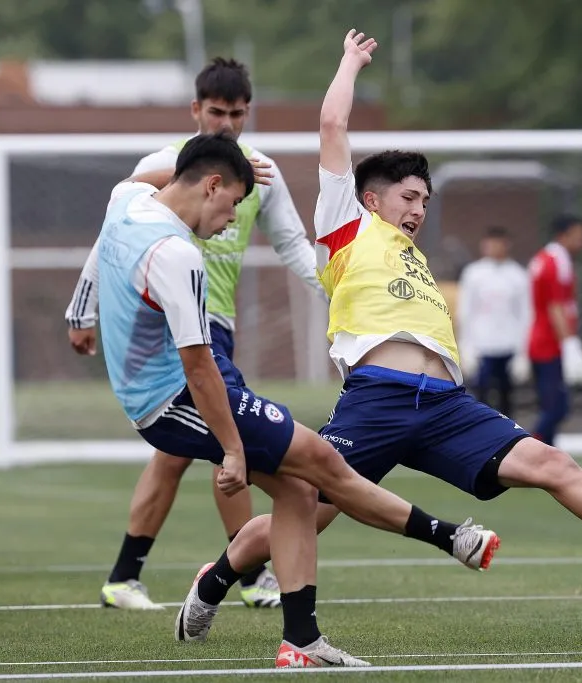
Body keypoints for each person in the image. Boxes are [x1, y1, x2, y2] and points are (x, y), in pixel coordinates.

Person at [172, 31, 582, 658]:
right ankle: (216, 578)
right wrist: (351, 62)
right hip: (376, 402)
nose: (418, 210)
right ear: (370, 198)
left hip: (446, 405)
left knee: (551, 464)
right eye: (409, 198)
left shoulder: (414, 256)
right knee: (307, 508)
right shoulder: (344, 227)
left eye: (425, 202)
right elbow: (332, 120)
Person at [93, 132, 499, 668]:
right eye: (235, 203)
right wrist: (234, 450)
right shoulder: (178, 256)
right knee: (323, 465)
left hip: (179, 390)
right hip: (178, 397)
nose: (233, 220)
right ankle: (449, 538)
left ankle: (296, 640)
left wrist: (222, 153)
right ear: (211, 184)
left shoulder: (127, 201)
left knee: (299, 494)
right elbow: (197, 366)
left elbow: (145, 173)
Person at [65, 58, 322, 610]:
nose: (227, 124)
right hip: (167, 329)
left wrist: (335, 290)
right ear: (195, 110)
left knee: (187, 451)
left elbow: (293, 245)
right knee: (222, 447)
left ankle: (125, 575)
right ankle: (249, 574)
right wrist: (82, 310)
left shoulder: (262, 175)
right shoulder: (164, 165)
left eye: (237, 114)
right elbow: (112, 234)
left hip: (214, 325)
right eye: (215, 112)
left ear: (248, 112)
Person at [527, 215, 582, 445]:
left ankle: (546, 452)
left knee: (555, 406)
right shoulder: (557, 261)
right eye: (579, 236)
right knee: (555, 408)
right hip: (549, 344)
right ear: (564, 235)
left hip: (544, 341)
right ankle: (532, 449)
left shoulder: (546, 258)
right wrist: (569, 343)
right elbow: (556, 306)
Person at [456, 225, 531, 417]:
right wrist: (467, 348)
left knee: (507, 398)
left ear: (506, 245)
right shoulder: (474, 274)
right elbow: (466, 312)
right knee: (481, 397)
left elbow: (526, 314)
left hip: (508, 345)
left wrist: (523, 353)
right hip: (482, 345)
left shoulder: (518, 275)